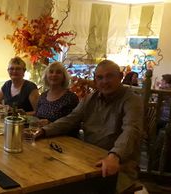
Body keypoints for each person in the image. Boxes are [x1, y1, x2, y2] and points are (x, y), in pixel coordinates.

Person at [36, 60, 143, 193]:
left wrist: (114, 156)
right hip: (88, 159)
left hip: (120, 165)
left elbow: (131, 130)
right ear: (95, 80)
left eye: (109, 76)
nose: (104, 81)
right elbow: (70, 120)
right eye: (100, 77)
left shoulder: (132, 100)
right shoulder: (90, 99)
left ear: (120, 76)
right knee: (48, 175)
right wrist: (42, 131)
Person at [35, 62, 79, 126]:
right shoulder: (43, 96)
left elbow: (74, 125)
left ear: (64, 77)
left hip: (62, 135)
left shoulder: (71, 98)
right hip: (40, 134)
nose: (54, 75)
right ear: (46, 76)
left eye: (58, 72)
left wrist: (51, 124)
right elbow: (37, 116)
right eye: (51, 72)